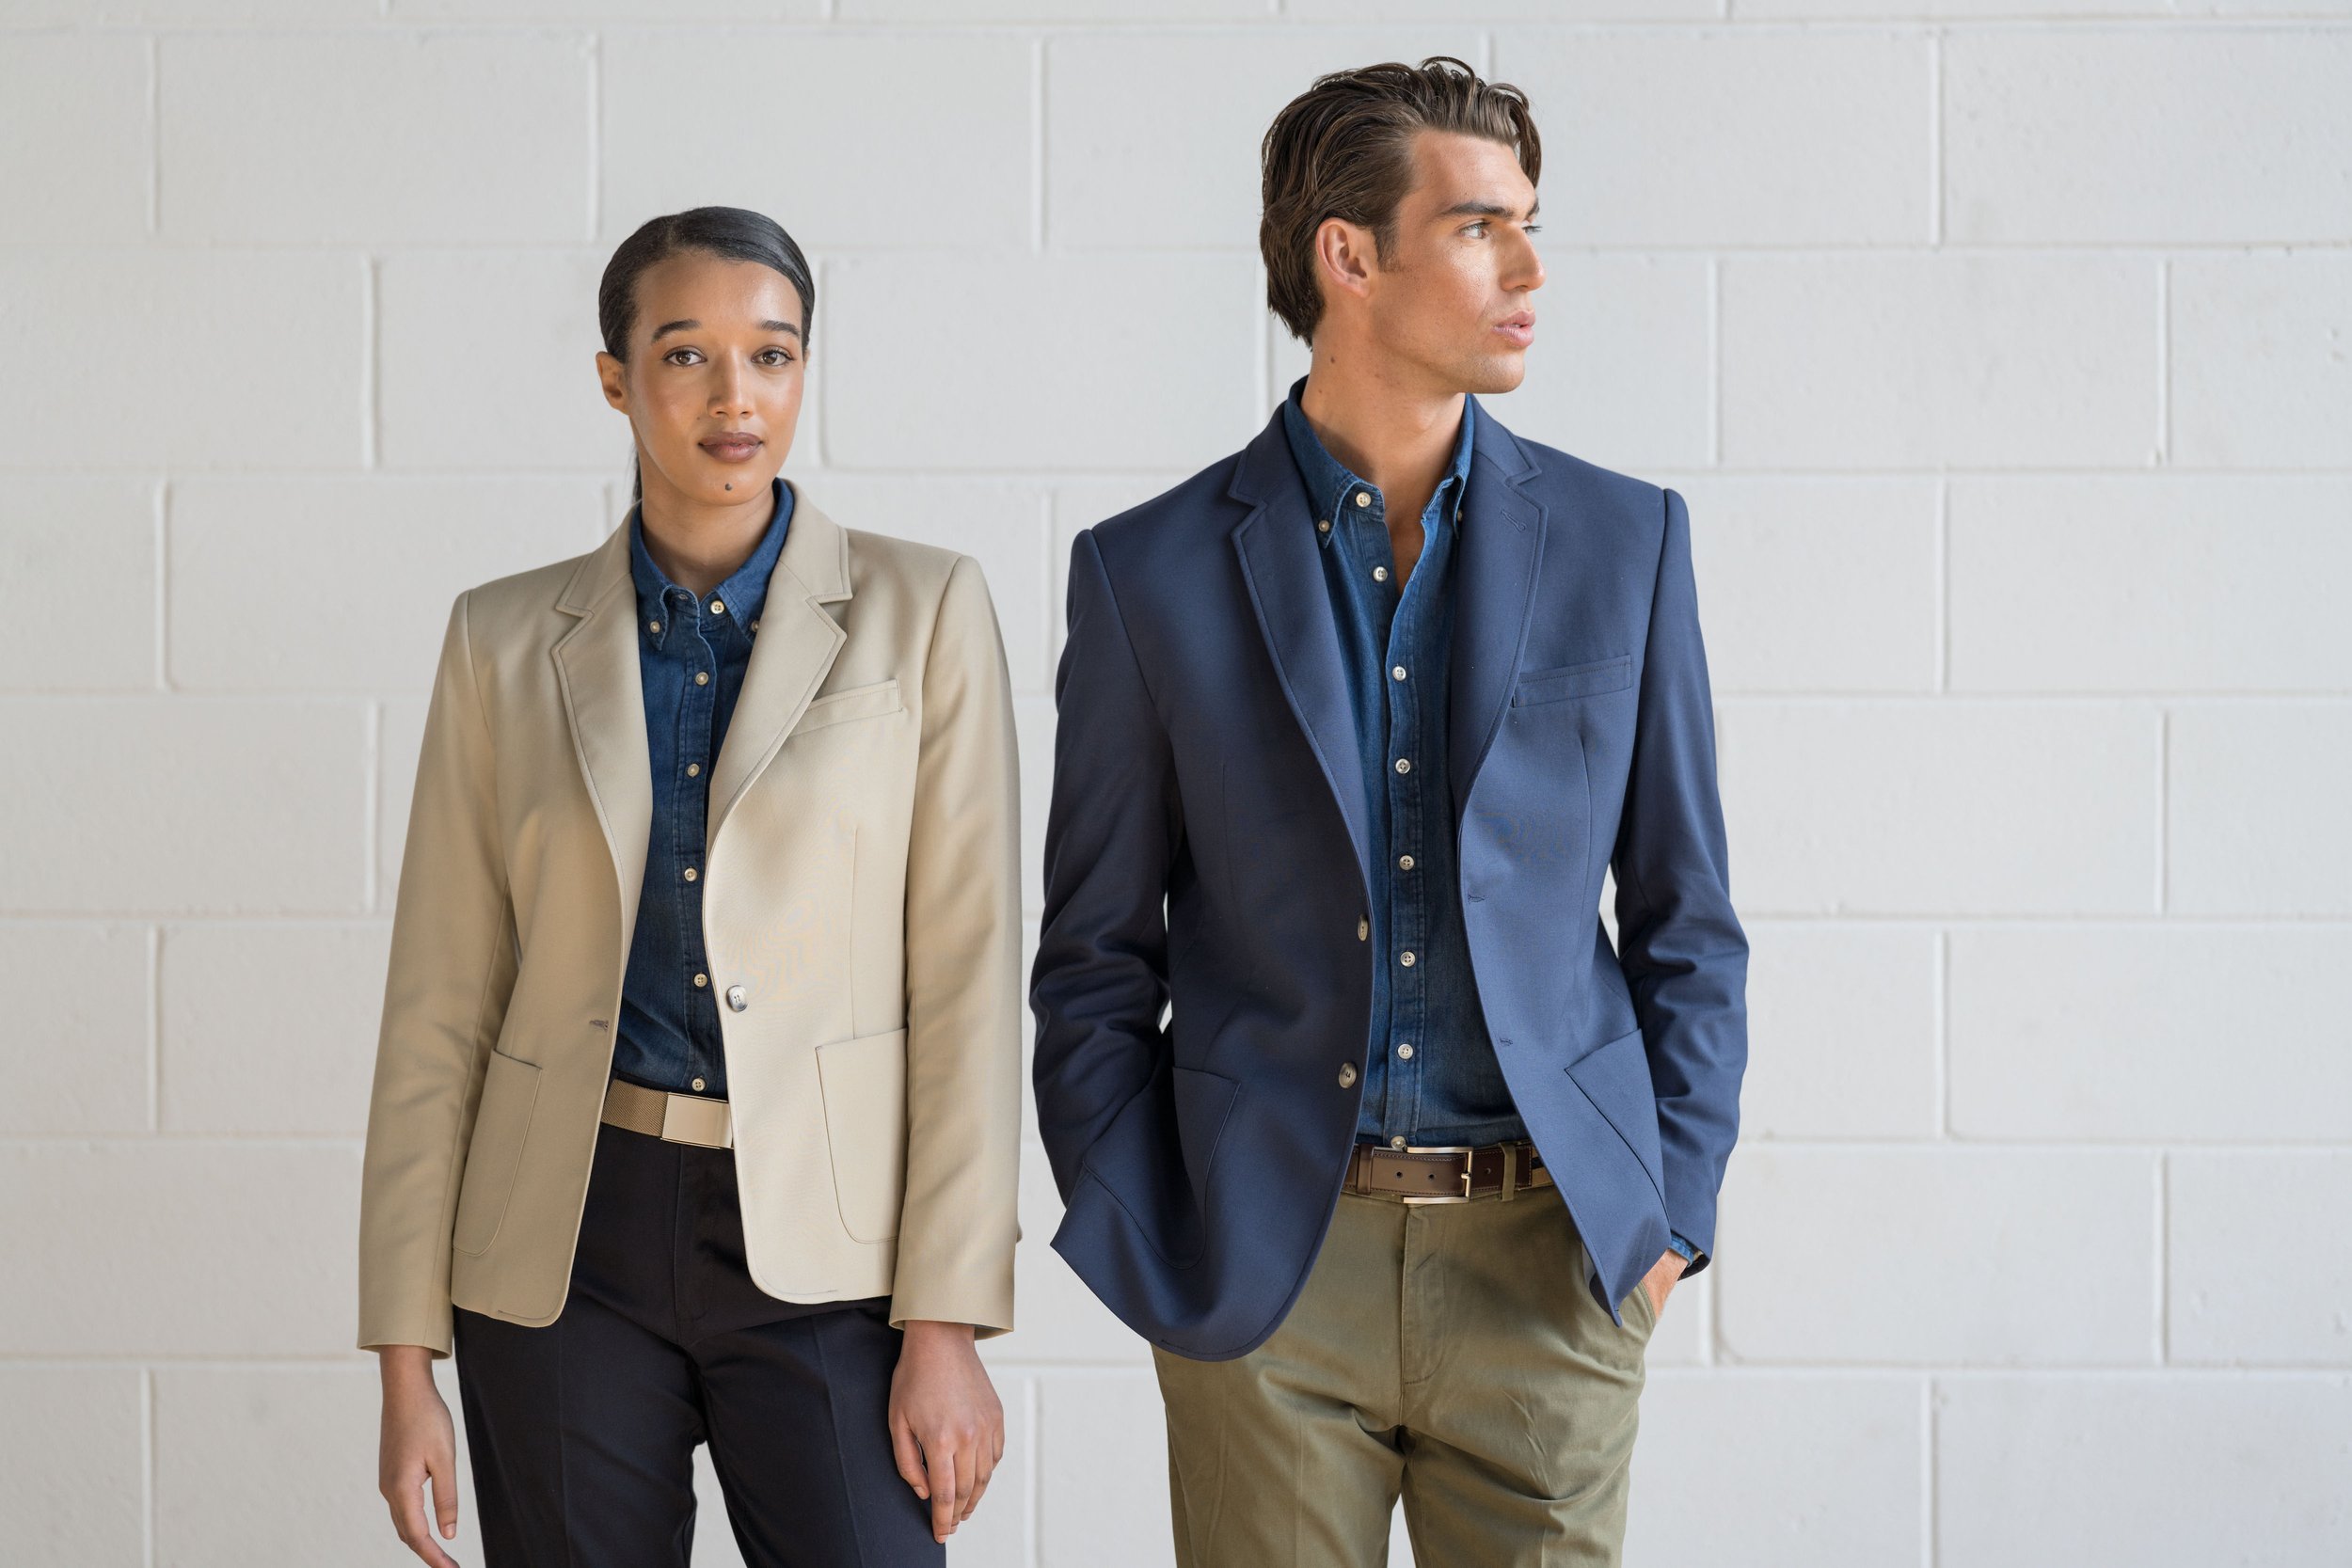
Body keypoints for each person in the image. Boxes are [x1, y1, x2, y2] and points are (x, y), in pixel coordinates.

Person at [1030, 58, 1748, 1566]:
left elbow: (1685, 918)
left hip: (1552, 1263)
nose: (1532, 268)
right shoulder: (1145, 573)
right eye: (1483, 226)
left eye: (1530, 223)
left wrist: (1667, 1215)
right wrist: (1159, 1244)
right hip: (1269, 1281)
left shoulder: (1629, 545)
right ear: (1347, 258)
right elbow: (1096, 955)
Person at [359, 206, 1023, 1568]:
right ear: (614, 378)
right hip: (564, 1244)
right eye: (685, 357)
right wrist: (404, 1357)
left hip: (837, 1254)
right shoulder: (499, 639)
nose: (737, 398)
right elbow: (439, 1003)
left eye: (772, 356)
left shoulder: (927, 610)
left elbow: (962, 984)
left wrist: (947, 1320)